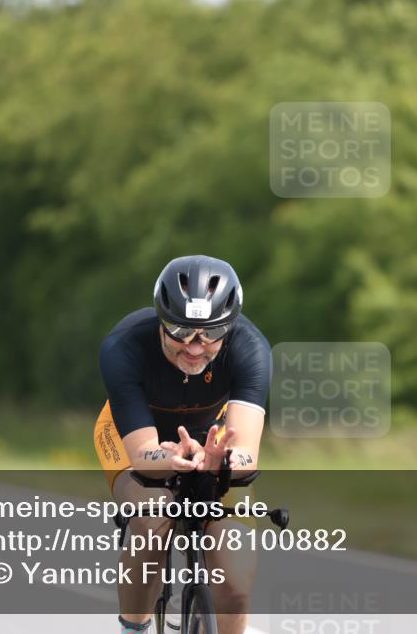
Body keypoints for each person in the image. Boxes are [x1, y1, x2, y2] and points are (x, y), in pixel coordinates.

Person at [94, 255, 271, 634]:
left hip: (213, 440)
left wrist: (220, 461)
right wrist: (170, 457)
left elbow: (246, 454)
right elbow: (143, 455)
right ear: (160, 320)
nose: (194, 347)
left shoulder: (251, 348)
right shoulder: (123, 347)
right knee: (152, 517)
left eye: (210, 333)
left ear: (231, 326)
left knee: (236, 586)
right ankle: (134, 628)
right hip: (138, 438)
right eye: (179, 330)